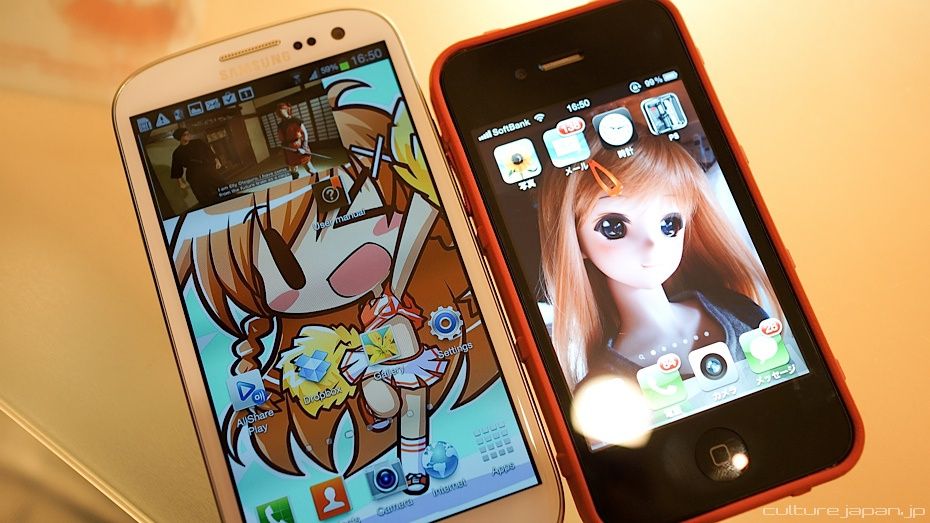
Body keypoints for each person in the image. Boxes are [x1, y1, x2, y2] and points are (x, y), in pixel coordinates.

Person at [537, 133, 779, 389]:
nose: (652, 245)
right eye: (614, 227)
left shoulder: (735, 307)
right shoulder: (605, 384)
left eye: (669, 224)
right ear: (575, 240)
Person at [170, 128, 223, 207]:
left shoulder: (198, 142)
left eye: (188, 133)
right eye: (185, 134)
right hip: (194, 175)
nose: (188, 135)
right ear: (180, 137)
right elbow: (176, 168)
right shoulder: (177, 152)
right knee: (204, 196)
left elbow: (209, 151)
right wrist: (181, 183)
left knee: (222, 185)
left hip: (207, 168)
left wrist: (217, 161)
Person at [276, 102, 315, 178]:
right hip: (289, 150)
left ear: (287, 110)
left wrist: (304, 147)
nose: (280, 113)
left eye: (282, 110)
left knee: (309, 167)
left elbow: (304, 133)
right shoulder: (280, 125)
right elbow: (282, 138)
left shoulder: (296, 120)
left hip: (299, 146)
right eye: (278, 112)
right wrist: (283, 148)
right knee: (293, 170)